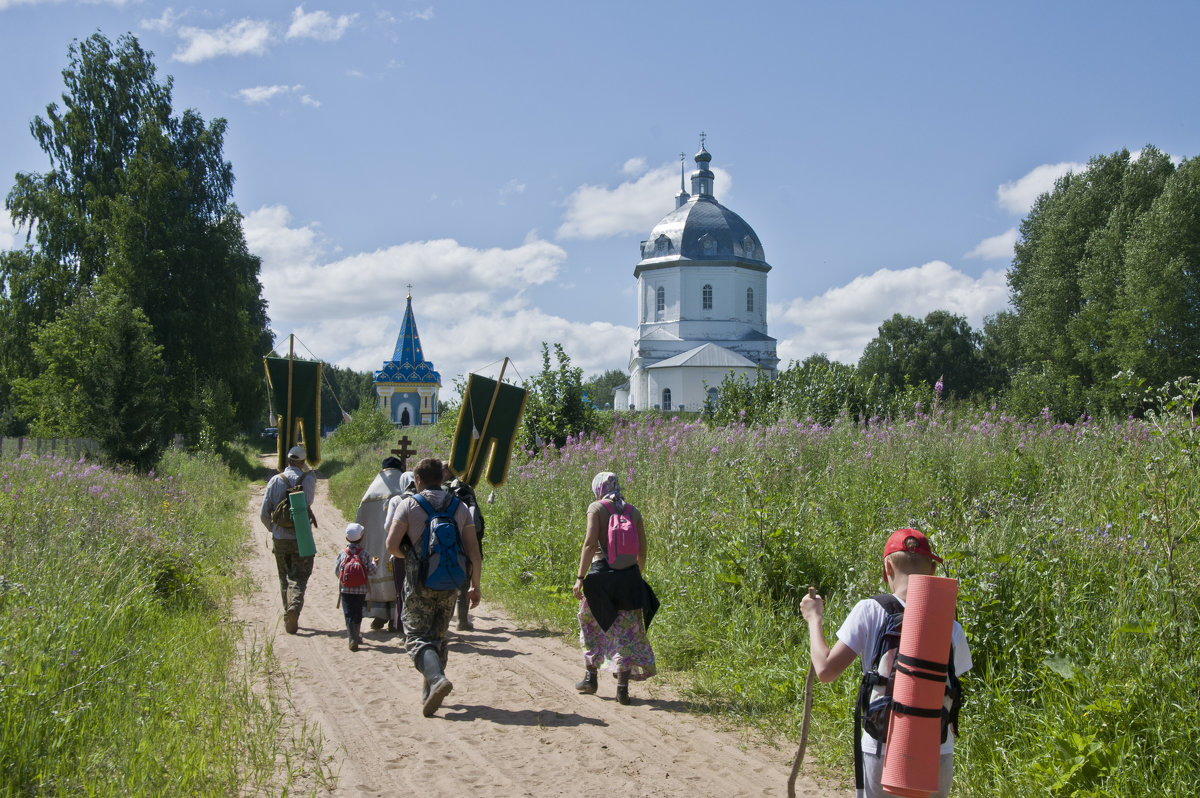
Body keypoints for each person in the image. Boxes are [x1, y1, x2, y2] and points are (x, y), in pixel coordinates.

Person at [799, 528, 972, 798]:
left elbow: (825, 670)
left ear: (886, 568)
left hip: (883, 750)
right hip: (938, 755)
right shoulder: (951, 626)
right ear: (933, 572)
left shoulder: (869, 610)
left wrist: (814, 619)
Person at [385, 458, 482, 717]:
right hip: (451, 582)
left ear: (417, 480)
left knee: (416, 637)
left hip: (419, 583)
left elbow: (391, 546)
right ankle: (429, 694)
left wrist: (413, 556)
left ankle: (437, 679)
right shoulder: (459, 506)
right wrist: (475, 586)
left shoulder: (409, 504)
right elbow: (473, 551)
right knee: (438, 636)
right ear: (441, 477)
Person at [571, 471, 658, 705]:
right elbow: (642, 550)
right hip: (629, 579)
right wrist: (635, 576)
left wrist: (580, 577)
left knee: (590, 625)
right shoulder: (633, 511)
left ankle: (591, 678)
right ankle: (622, 690)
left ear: (598, 487)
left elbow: (589, 544)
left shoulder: (596, 508)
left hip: (601, 579)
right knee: (627, 633)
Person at [259, 444, 317, 634]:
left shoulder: (275, 480)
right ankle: (295, 608)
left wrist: (274, 530)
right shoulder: (308, 479)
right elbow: (307, 503)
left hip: (280, 537)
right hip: (302, 537)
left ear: (287, 461)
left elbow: (263, 514)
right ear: (303, 462)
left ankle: (287, 613)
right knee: (300, 577)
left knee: (284, 578)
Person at [442, 464, 485, 631]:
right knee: (465, 580)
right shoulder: (465, 488)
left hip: (446, 541)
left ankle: (444, 621)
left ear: (446, 472)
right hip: (466, 539)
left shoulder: (441, 489)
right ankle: (462, 620)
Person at [381, 470, 417, 633]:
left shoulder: (397, 500)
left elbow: (388, 526)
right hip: (420, 551)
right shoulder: (421, 499)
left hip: (400, 549)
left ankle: (400, 624)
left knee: (401, 589)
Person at [334, 522, 379, 651]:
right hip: (361, 589)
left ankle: (352, 637)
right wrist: (374, 563)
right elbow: (372, 571)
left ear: (346, 538)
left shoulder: (343, 553)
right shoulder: (364, 554)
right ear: (362, 537)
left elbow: (337, 571)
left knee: (348, 613)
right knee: (358, 612)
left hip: (345, 589)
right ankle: (357, 634)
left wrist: (345, 579)